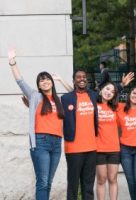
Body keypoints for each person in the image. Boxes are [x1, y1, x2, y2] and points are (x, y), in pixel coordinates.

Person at [7, 49, 64, 200]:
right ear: (38, 85)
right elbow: (20, 81)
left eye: (47, 79)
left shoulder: (59, 100)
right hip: (41, 142)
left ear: (51, 81)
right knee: (43, 182)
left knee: (49, 182)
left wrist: (61, 80)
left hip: (57, 143)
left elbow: (76, 96)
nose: (45, 81)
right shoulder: (35, 96)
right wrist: (12, 62)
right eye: (41, 80)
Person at [62, 69, 99, 200]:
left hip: (91, 147)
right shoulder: (66, 98)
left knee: (88, 185)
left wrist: (122, 85)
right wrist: (32, 104)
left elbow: (109, 94)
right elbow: (51, 105)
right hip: (73, 148)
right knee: (73, 184)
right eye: (78, 77)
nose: (82, 79)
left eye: (84, 76)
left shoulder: (93, 96)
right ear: (73, 81)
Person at [95, 81, 121, 200]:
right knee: (101, 179)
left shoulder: (116, 107)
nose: (109, 92)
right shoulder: (93, 104)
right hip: (98, 148)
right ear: (101, 90)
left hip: (114, 149)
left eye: (112, 91)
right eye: (107, 89)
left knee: (113, 179)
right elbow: (79, 95)